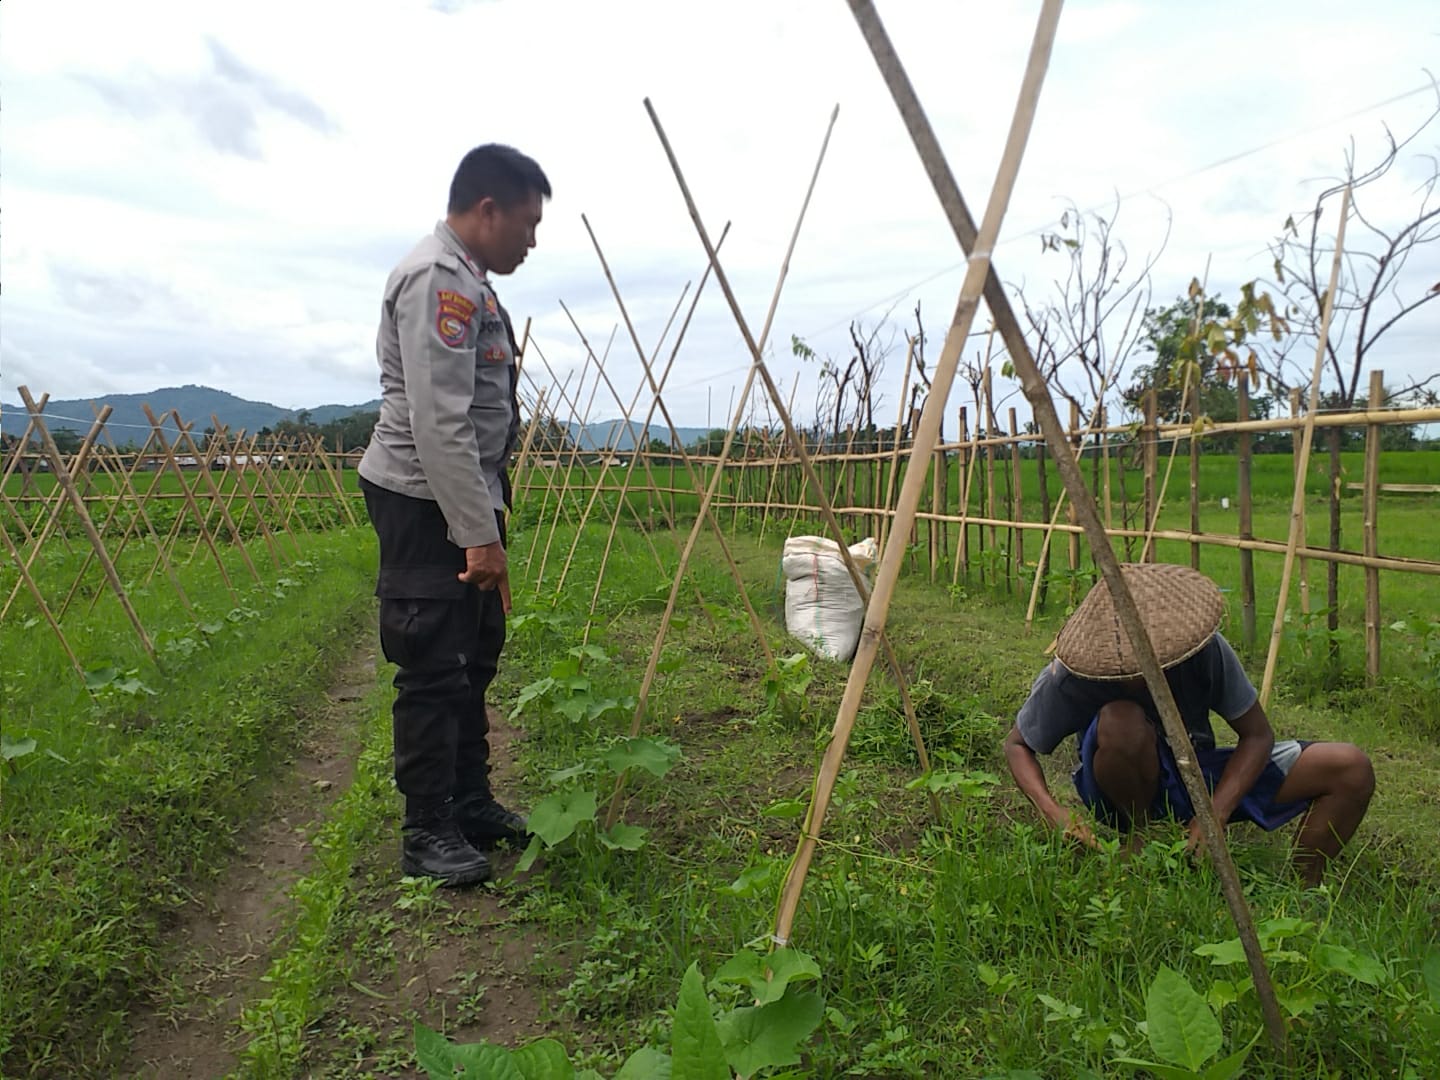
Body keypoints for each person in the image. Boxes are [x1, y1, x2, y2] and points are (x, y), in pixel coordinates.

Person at [357, 144, 550, 885]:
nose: (532, 241)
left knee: (476, 654)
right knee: (435, 659)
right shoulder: (440, 281)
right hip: (423, 496)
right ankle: (426, 830)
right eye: (527, 224)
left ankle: (469, 802)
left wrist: (488, 519)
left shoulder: (472, 283)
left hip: (464, 493)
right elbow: (440, 423)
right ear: (487, 210)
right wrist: (478, 536)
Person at [1004, 563, 1374, 886]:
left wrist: (1215, 813)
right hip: (1117, 786)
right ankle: (1142, 840)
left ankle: (1301, 890)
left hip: (1196, 771)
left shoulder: (1203, 651)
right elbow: (1018, 745)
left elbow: (1257, 736)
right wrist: (1054, 813)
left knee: (1349, 767)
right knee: (1122, 721)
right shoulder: (1073, 673)